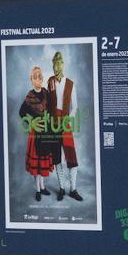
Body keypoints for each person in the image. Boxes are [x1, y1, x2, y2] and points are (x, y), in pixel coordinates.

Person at [47, 52, 83, 202]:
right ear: (53, 65)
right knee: (56, 157)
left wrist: (68, 119)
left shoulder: (70, 84)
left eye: (59, 63)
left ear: (63, 64)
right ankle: (62, 188)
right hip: (53, 124)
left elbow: (75, 107)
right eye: (54, 63)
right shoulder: (50, 82)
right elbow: (48, 104)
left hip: (65, 123)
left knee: (71, 157)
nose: (57, 66)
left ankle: (73, 189)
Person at [18, 66, 56, 201]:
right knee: (37, 161)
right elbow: (22, 113)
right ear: (31, 79)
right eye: (35, 77)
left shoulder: (46, 93)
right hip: (35, 132)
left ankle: (43, 186)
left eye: (40, 77)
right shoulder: (30, 96)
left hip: (46, 131)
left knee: (42, 160)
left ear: (42, 79)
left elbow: (51, 108)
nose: (38, 80)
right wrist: (32, 123)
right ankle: (38, 189)